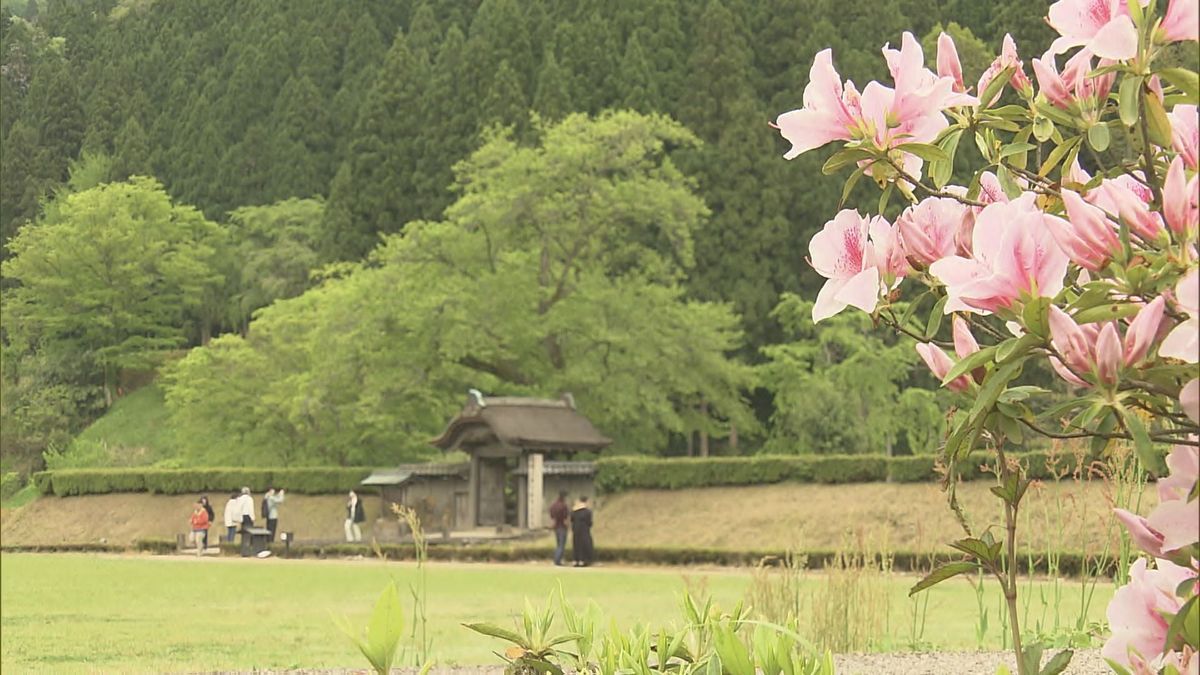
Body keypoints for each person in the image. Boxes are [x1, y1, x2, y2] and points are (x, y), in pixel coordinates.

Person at [570, 496, 594, 567]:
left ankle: (575, 560)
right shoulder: (587, 511)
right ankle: (582, 560)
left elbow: (572, 520)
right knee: (584, 545)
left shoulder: (574, 511)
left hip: (575, 530)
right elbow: (589, 522)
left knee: (576, 544)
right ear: (586, 501)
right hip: (584, 530)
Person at [549, 491, 570, 566]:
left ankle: (556, 559)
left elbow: (552, 516)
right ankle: (558, 560)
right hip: (562, 526)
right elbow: (565, 519)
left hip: (556, 526)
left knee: (558, 544)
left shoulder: (553, 505)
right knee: (561, 545)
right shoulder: (564, 506)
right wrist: (568, 526)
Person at [236, 487, 256, 556]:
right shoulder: (249, 499)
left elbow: (238, 509)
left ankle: (243, 550)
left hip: (242, 517)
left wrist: (239, 518)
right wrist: (253, 517)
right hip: (248, 517)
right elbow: (251, 509)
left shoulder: (239, 499)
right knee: (249, 533)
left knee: (244, 533)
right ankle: (248, 550)